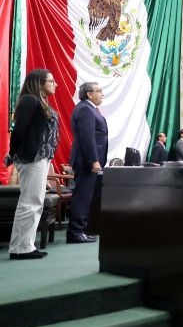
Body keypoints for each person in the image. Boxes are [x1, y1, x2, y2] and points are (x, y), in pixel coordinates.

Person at [5, 70, 60, 259]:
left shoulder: (40, 102)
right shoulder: (30, 100)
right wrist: (11, 153)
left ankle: (26, 245)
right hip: (32, 158)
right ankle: (20, 248)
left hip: (40, 158)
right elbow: (18, 131)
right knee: (29, 202)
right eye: (51, 81)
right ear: (38, 82)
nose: (55, 84)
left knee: (35, 202)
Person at [68, 81, 107, 244]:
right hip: (86, 162)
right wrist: (94, 160)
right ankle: (76, 232)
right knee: (82, 197)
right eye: (99, 91)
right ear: (89, 94)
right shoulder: (85, 108)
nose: (102, 94)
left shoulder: (89, 108)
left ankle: (80, 230)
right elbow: (87, 137)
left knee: (85, 196)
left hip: (87, 161)